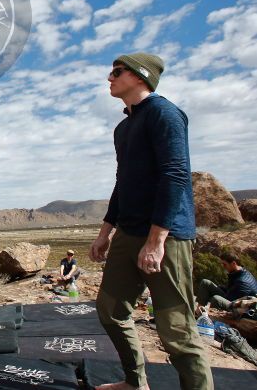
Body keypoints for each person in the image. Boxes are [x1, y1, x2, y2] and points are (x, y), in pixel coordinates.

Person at [89, 53, 213, 390]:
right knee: (110, 310)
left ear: (141, 76)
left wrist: (157, 241)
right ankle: (135, 382)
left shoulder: (165, 113)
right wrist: (105, 233)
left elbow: (175, 175)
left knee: (176, 330)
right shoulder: (124, 127)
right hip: (128, 233)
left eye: (117, 71)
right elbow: (123, 182)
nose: (109, 78)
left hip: (166, 236)